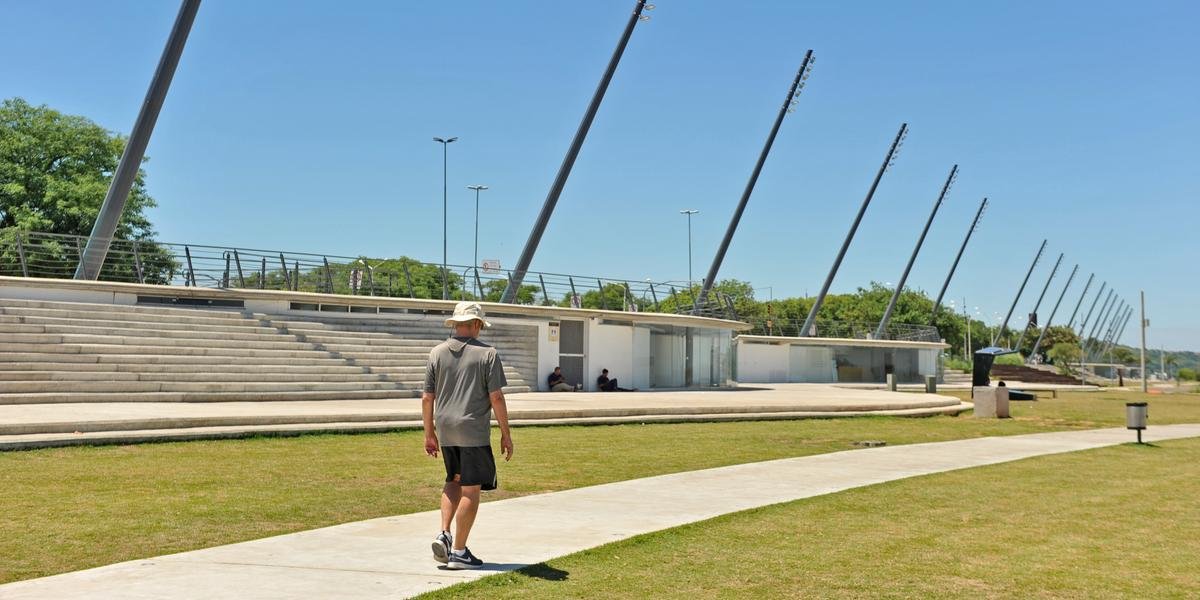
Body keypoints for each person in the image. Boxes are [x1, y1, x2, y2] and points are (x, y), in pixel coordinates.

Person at [423, 301, 513, 570]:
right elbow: (496, 396)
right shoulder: (488, 354)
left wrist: (429, 433)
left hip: (446, 428)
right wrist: (506, 434)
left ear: (455, 323)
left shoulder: (436, 353)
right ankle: (459, 552)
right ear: (476, 324)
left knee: (453, 479)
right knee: (471, 489)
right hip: (472, 429)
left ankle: (444, 533)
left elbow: (428, 397)